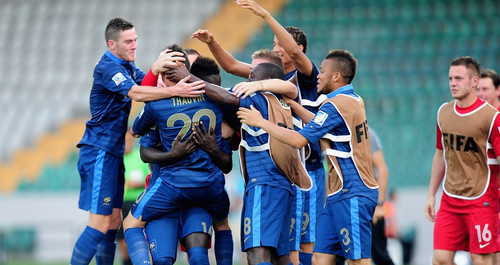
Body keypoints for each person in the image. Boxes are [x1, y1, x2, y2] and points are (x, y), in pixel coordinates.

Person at [193, 2, 325, 263]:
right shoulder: (268, 82)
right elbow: (231, 67)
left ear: (297, 49)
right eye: (274, 43)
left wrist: (265, 14)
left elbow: (276, 81)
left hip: (306, 167)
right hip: (282, 168)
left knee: (303, 243)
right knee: (286, 249)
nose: (277, 47)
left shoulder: (303, 77)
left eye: (281, 43)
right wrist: (212, 43)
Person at [70, 17, 205, 265]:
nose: (134, 45)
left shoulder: (126, 66)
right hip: (99, 150)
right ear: (112, 44)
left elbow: (148, 86)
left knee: (112, 221)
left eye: (135, 40)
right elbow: (136, 92)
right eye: (128, 41)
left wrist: (160, 70)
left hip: (112, 152)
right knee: (99, 224)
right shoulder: (108, 67)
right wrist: (174, 90)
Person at [237, 49, 379, 265]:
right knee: (320, 259)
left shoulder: (335, 105)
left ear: (336, 76)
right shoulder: (352, 100)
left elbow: (299, 140)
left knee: (358, 261)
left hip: (353, 192)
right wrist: (293, 104)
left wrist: (260, 122)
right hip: (337, 194)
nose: (317, 76)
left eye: (322, 71)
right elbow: (317, 123)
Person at [166, 61, 310, 265]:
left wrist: (188, 77)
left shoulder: (257, 96)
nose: (248, 80)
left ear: (267, 81)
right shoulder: (281, 103)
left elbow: (224, 96)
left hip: (264, 184)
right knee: (281, 256)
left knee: (257, 253)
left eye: (252, 76)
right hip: (282, 186)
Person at [122, 44, 231, 265]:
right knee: (215, 234)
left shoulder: (157, 104)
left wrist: (172, 154)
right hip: (208, 186)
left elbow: (136, 132)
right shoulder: (218, 100)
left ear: (164, 73)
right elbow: (228, 161)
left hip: (170, 185)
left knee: (131, 226)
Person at [424, 56, 500, 265]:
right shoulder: (443, 112)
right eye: (450, 79)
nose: (453, 83)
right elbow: (440, 154)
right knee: (440, 259)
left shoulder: (492, 117)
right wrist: (431, 194)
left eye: (459, 78)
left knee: (481, 260)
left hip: (482, 201)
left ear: (474, 81)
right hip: (450, 200)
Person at [336, 127, 394, 265]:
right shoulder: (333, 132)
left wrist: (379, 206)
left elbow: (382, 170)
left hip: (367, 204)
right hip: (343, 203)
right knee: (336, 256)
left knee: (379, 255)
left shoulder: (365, 132)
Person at [116, 130, 149, 265]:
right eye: (125, 141)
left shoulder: (140, 157)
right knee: (124, 246)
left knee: (137, 244)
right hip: (119, 204)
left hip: (137, 203)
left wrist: (137, 184)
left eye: (129, 141)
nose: (127, 144)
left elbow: (149, 180)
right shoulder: (116, 159)